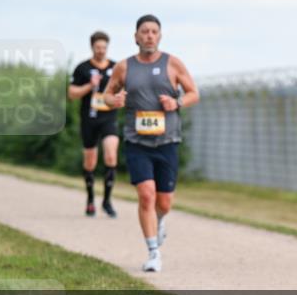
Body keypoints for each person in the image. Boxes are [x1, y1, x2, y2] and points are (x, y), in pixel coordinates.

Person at [103, 15, 199, 272]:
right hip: (137, 142)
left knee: (164, 202)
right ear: (136, 36)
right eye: (144, 31)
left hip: (168, 142)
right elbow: (107, 95)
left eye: (154, 31)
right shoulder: (124, 67)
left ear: (159, 36)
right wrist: (115, 100)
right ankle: (153, 252)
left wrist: (176, 103)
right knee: (146, 195)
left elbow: (193, 93)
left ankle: (160, 221)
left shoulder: (173, 63)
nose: (149, 36)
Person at [68, 31, 120, 217]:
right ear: (92, 47)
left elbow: (125, 89)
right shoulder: (82, 68)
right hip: (89, 120)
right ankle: (90, 199)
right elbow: (72, 93)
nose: (101, 51)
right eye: (98, 47)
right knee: (90, 160)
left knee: (111, 155)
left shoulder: (116, 68)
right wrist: (90, 85)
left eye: (104, 47)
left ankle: (107, 200)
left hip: (109, 119)